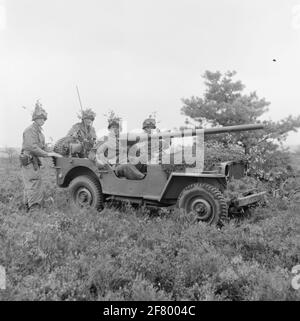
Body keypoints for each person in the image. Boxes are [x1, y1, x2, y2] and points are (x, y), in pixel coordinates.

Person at [20, 101, 62, 212]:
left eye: (44, 119)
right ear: (35, 119)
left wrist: (54, 151)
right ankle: (34, 209)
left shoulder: (40, 132)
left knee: (33, 183)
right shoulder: (30, 130)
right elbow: (32, 147)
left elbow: (42, 147)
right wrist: (48, 154)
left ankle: (26, 206)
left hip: (34, 161)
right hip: (29, 161)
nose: (43, 120)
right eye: (41, 118)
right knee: (33, 183)